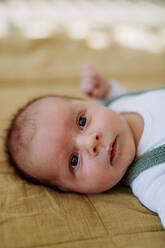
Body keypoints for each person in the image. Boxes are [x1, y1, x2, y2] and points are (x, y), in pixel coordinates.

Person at [6, 65, 165, 228]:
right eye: (74, 161)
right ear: (73, 190)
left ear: (90, 104)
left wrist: (106, 89)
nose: (91, 142)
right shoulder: (151, 181)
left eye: (82, 122)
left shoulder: (116, 104)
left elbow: (122, 99)